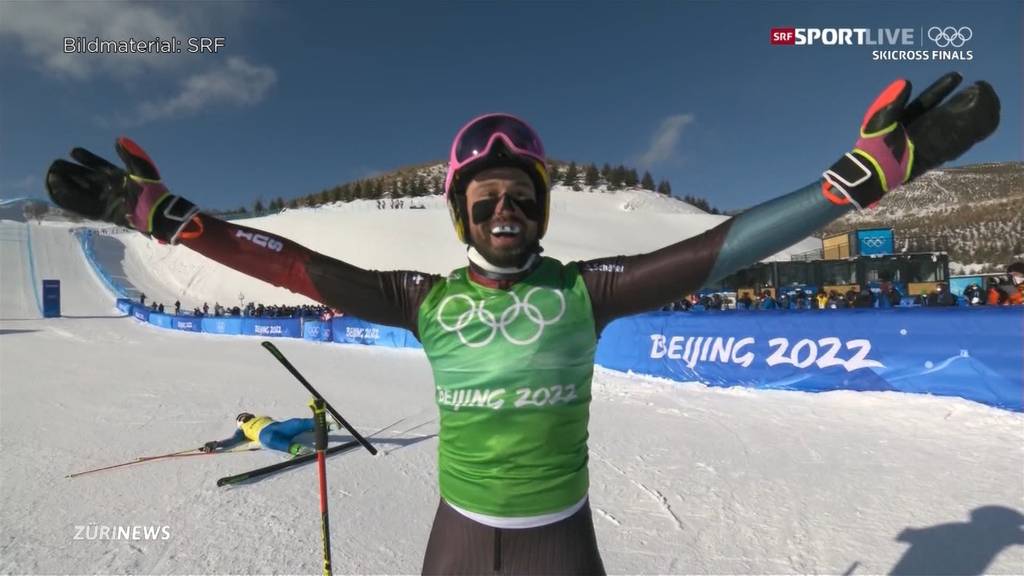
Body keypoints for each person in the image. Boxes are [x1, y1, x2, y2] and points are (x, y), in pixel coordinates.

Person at [45, 73, 998, 575]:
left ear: (543, 212)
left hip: (559, 545)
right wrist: (167, 221)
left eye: (523, 198)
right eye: (487, 197)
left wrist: (864, 177)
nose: (506, 210)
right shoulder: (424, 301)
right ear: (462, 214)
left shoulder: (592, 289)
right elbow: (293, 264)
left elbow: (727, 245)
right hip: (456, 542)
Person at [201, 412, 337, 457]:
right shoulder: (242, 430)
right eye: (241, 418)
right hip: (266, 435)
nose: (244, 417)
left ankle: (323, 421)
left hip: (278, 427)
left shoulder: (260, 417)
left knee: (295, 423)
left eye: (245, 415)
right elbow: (232, 441)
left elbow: (287, 425)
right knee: (269, 439)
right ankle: (296, 449)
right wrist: (217, 444)